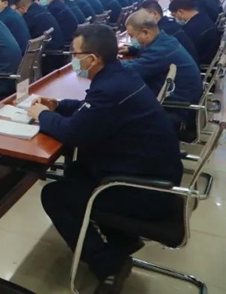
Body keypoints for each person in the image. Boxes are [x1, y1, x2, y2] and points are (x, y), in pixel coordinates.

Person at [29, 25, 182, 294]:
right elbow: (92, 111)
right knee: (76, 170)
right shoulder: (119, 76)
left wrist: (42, 115)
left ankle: (108, 264)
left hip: (144, 190)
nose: (73, 59)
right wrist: (59, 106)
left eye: (76, 54)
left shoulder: (110, 88)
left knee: (54, 195)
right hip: (151, 174)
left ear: (93, 58)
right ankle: (123, 239)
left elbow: (74, 133)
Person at [120, 11, 203, 140]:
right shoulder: (165, 40)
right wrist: (132, 49)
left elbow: (132, 69)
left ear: (145, 32)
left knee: (120, 111)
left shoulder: (161, 51)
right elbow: (150, 52)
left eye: (132, 36)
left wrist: (107, 61)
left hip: (176, 110)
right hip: (181, 100)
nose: (132, 40)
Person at [13, 0, 66, 73]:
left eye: (16, 10)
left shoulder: (29, 16)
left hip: (48, 56)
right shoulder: (41, 9)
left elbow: (23, 37)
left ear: (22, 8)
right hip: (58, 50)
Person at [169, 0, 220, 65]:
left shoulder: (190, 29)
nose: (175, 18)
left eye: (174, 15)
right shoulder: (203, 17)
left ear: (180, 12)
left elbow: (185, 52)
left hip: (201, 62)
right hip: (210, 56)